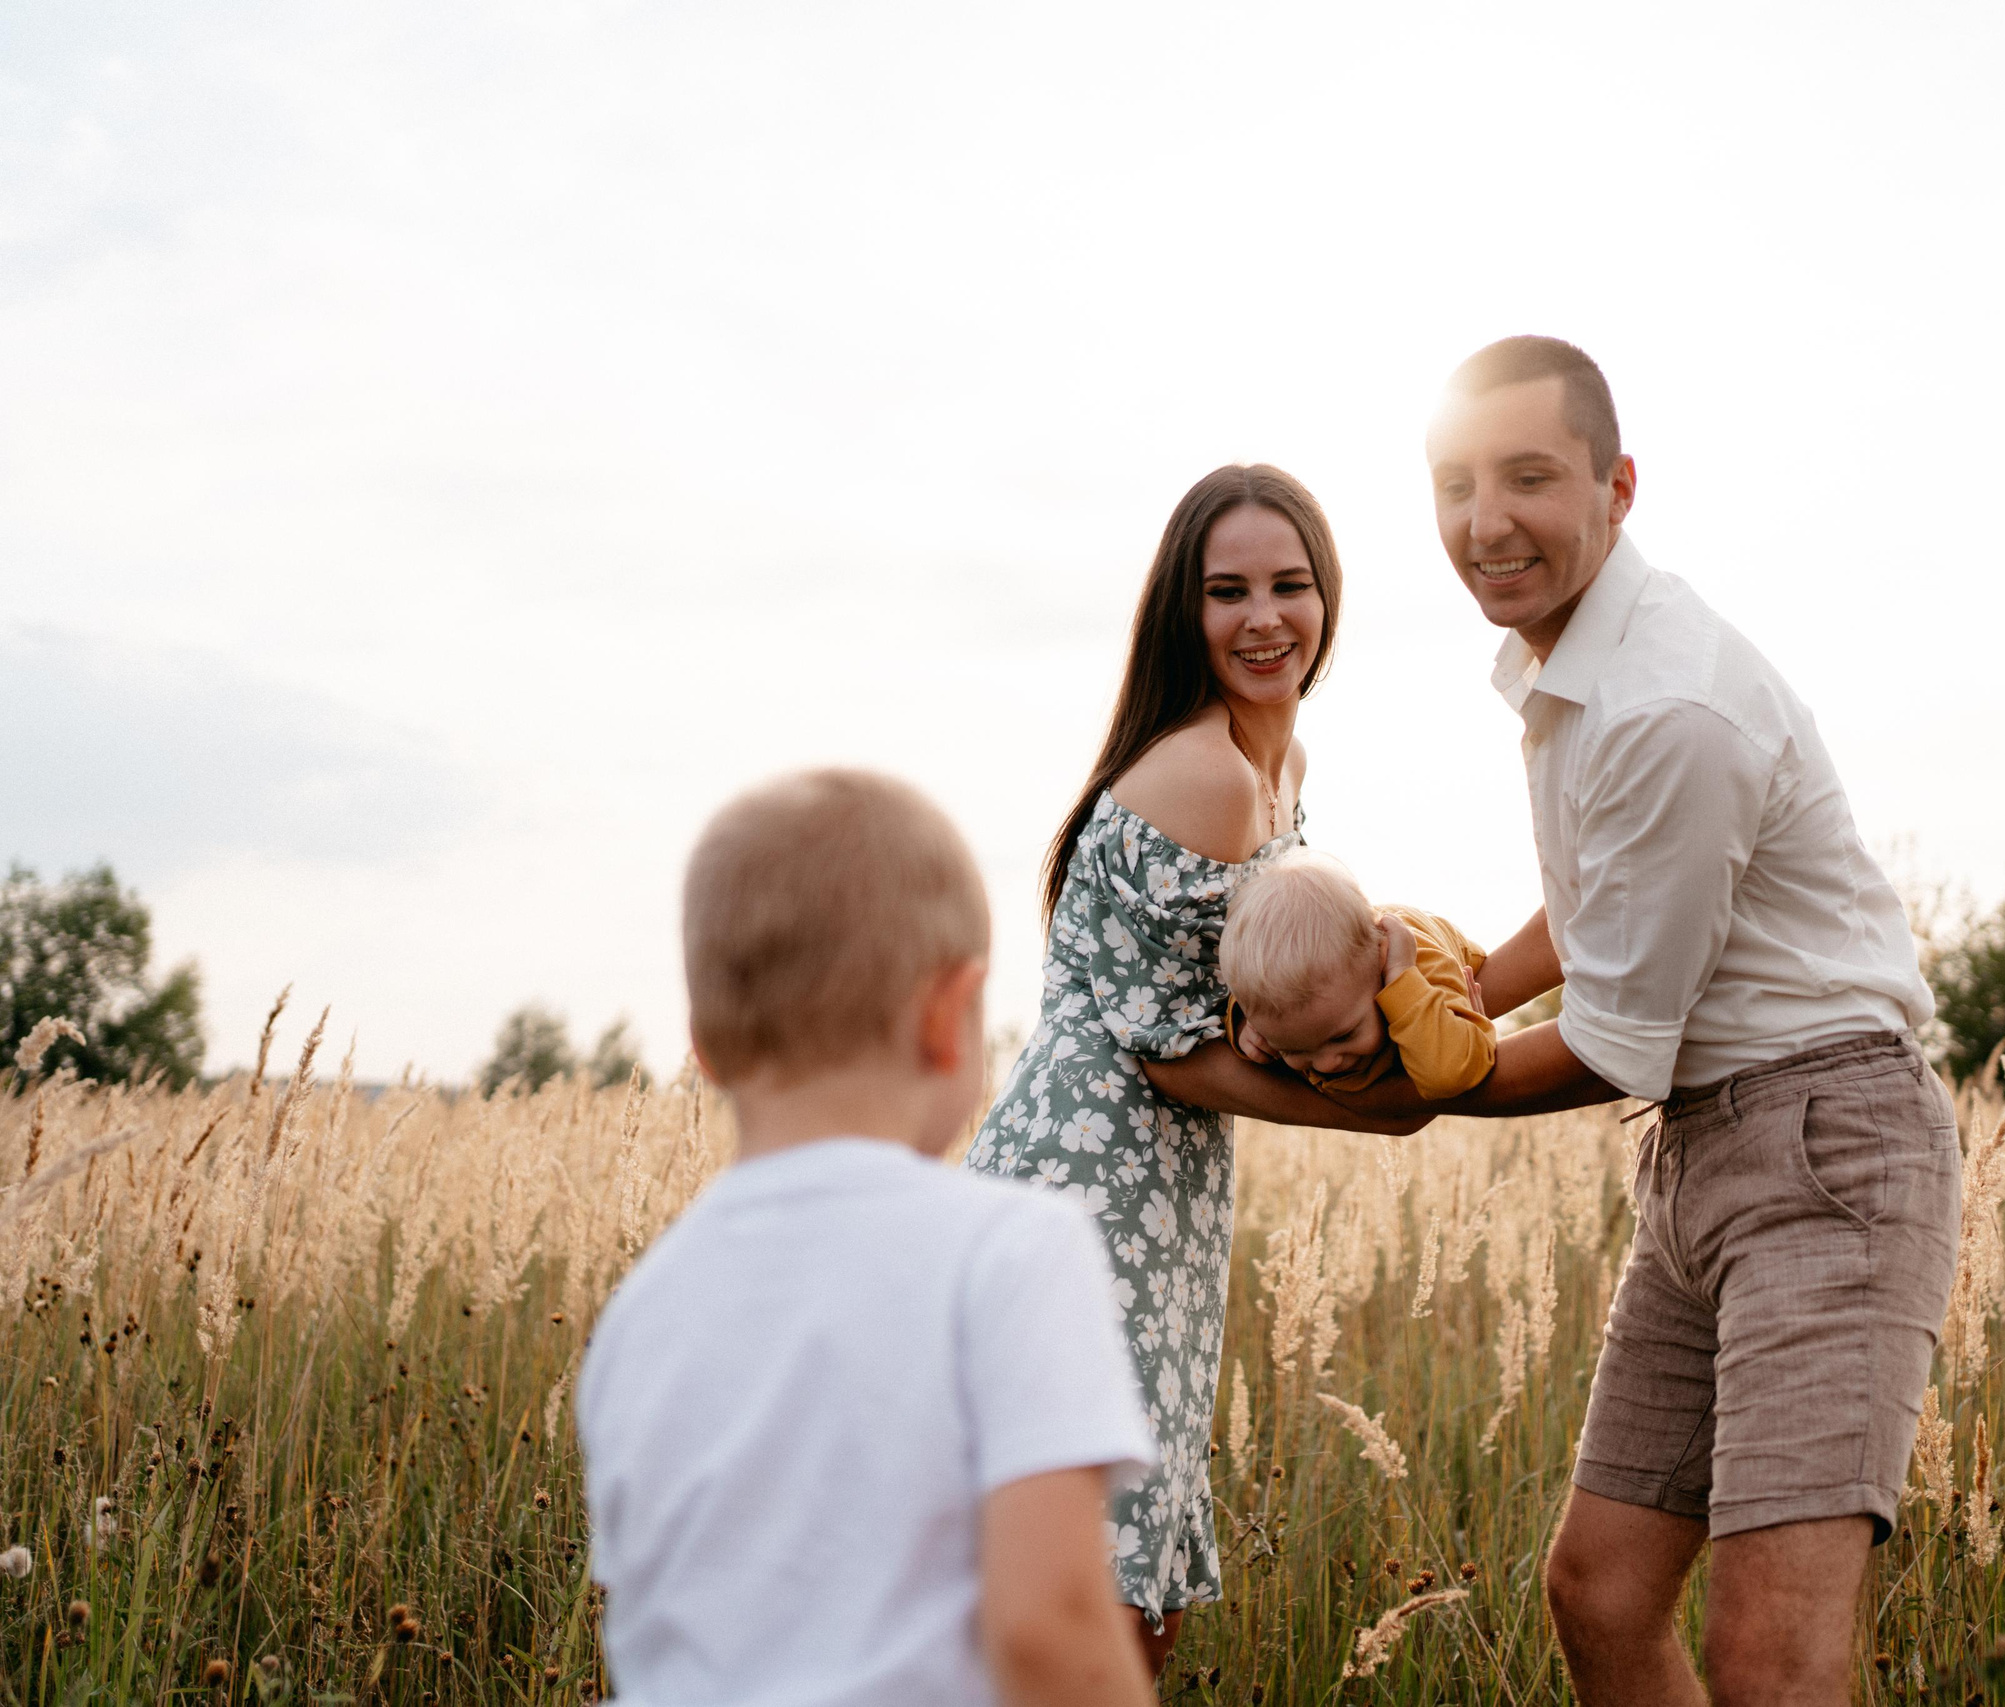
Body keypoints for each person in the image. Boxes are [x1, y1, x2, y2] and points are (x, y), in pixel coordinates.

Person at [1339, 336, 1961, 1707]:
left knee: (1771, 1662)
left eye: (1529, 477)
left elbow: (1621, 1038)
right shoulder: (1574, 668)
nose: (1485, 520)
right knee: (1602, 1589)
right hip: (1698, 1149)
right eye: (1456, 482)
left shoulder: (1666, 704)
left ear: (1617, 487)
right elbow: (1601, 902)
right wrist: (1452, 999)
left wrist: (1406, 1084)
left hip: (1825, 1152)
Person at [961, 465, 1424, 1674]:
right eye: (1228, 592)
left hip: (1163, 1188)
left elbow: (1257, 996)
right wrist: (1374, 1115)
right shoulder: (1207, 777)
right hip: (1089, 1178)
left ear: (1328, 596)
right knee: (1090, 1576)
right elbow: (1167, 1055)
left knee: (1131, 1567)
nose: (1265, 618)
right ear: (1186, 610)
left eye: (1291, 585)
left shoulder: (1284, 768)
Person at [578, 769, 1158, 1707]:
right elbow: (1047, 1625)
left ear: (706, 1046)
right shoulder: (1013, 1252)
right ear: (947, 1016)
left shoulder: (641, 1308)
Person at [1219, 849, 1496, 1099]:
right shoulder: (1298, 1010)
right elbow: (1245, 1001)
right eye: (1294, 1050)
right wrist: (1243, 1026)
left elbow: (1450, 1076)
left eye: (1344, 1036)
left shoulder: (1424, 967)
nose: (1327, 1064)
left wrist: (1401, 975)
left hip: (1435, 936)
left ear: (1381, 964)